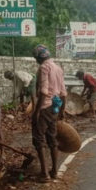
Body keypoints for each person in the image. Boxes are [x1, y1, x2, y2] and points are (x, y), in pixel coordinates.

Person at [32, 44, 67, 182]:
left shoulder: (44, 67)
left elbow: (43, 92)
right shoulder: (58, 68)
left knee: (39, 139)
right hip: (55, 108)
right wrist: (62, 111)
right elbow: (64, 93)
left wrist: (36, 112)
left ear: (38, 57)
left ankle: (44, 173)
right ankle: (54, 171)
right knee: (52, 139)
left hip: (45, 107)